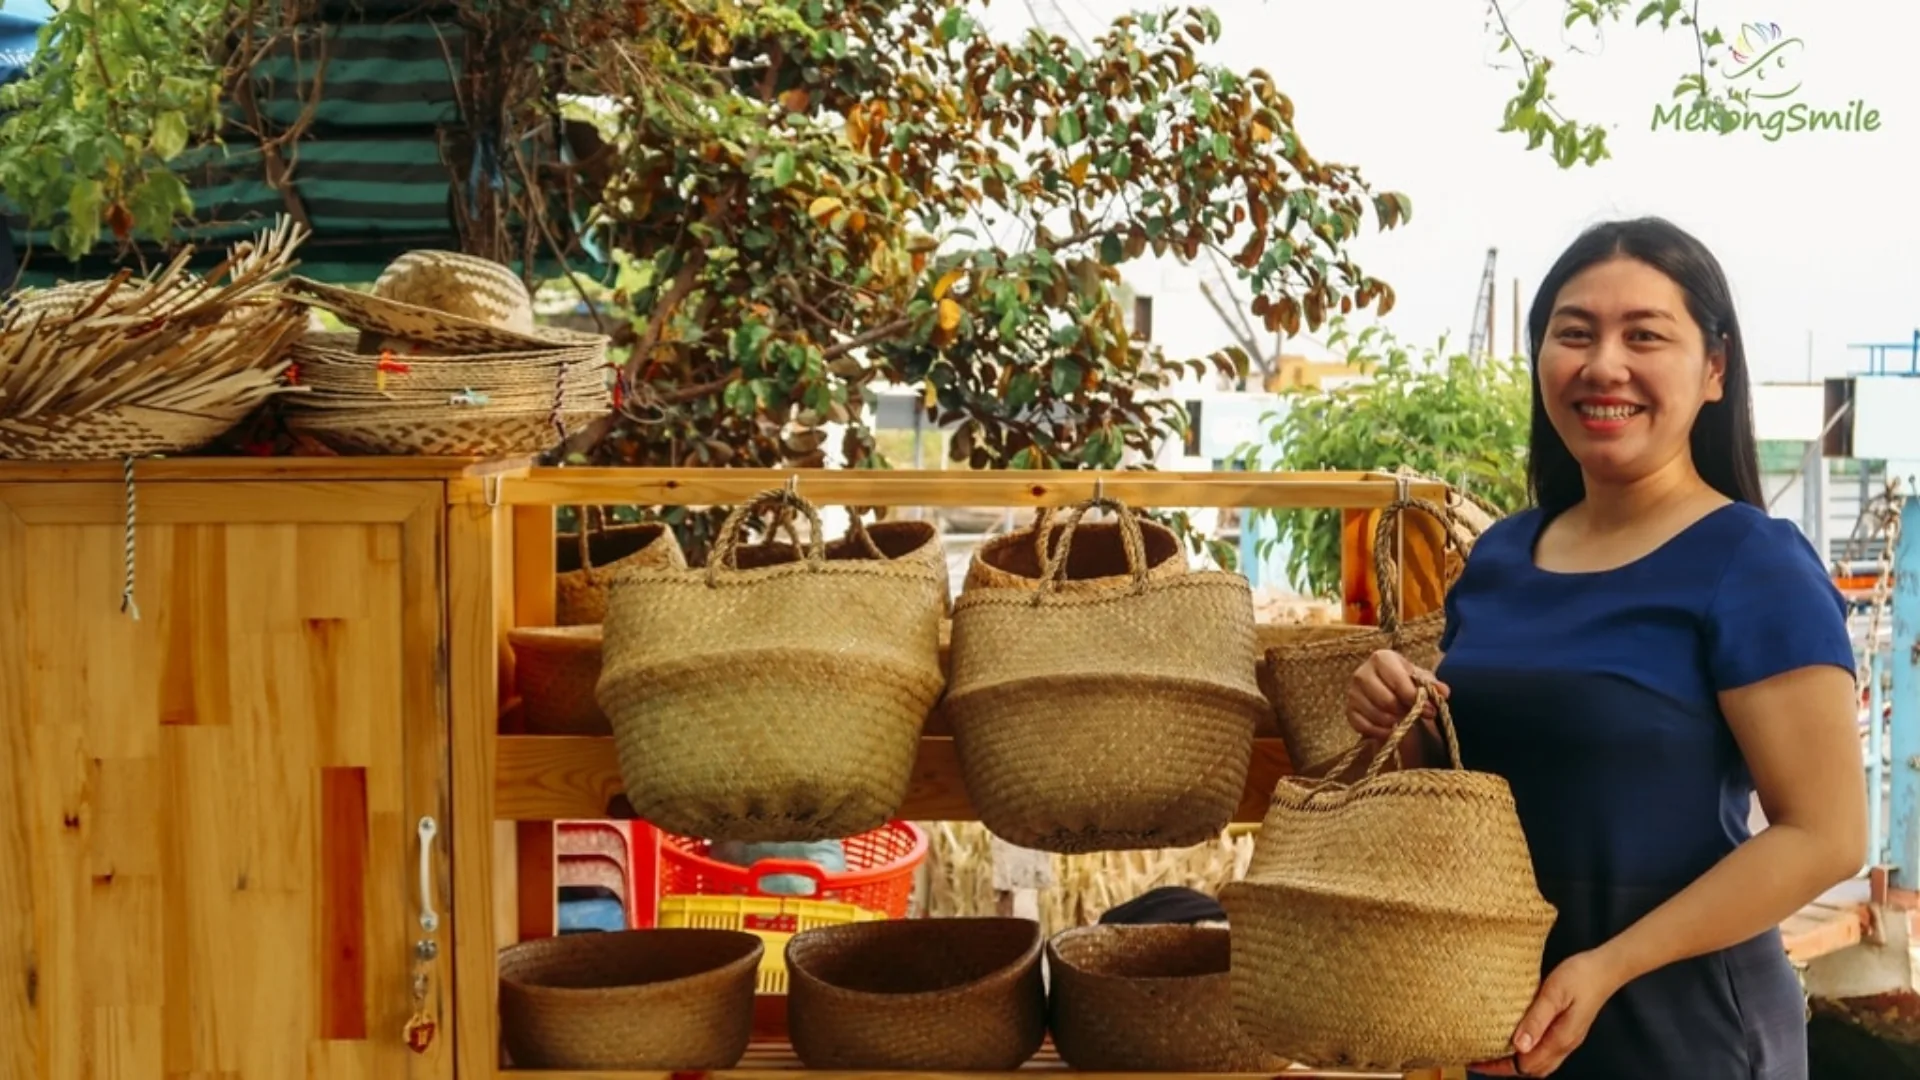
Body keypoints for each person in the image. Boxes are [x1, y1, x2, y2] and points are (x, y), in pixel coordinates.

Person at [1345, 217, 1865, 1079]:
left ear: (1714, 370)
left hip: (1684, 1027)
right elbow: (1470, 790)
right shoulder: (1503, 557)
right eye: (1574, 333)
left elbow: (1826, 836)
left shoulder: (1752, 563)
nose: (1603, 366)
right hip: (1505, 1017)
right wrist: (1403, 714)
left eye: (1644, 336)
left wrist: (1609, 966)